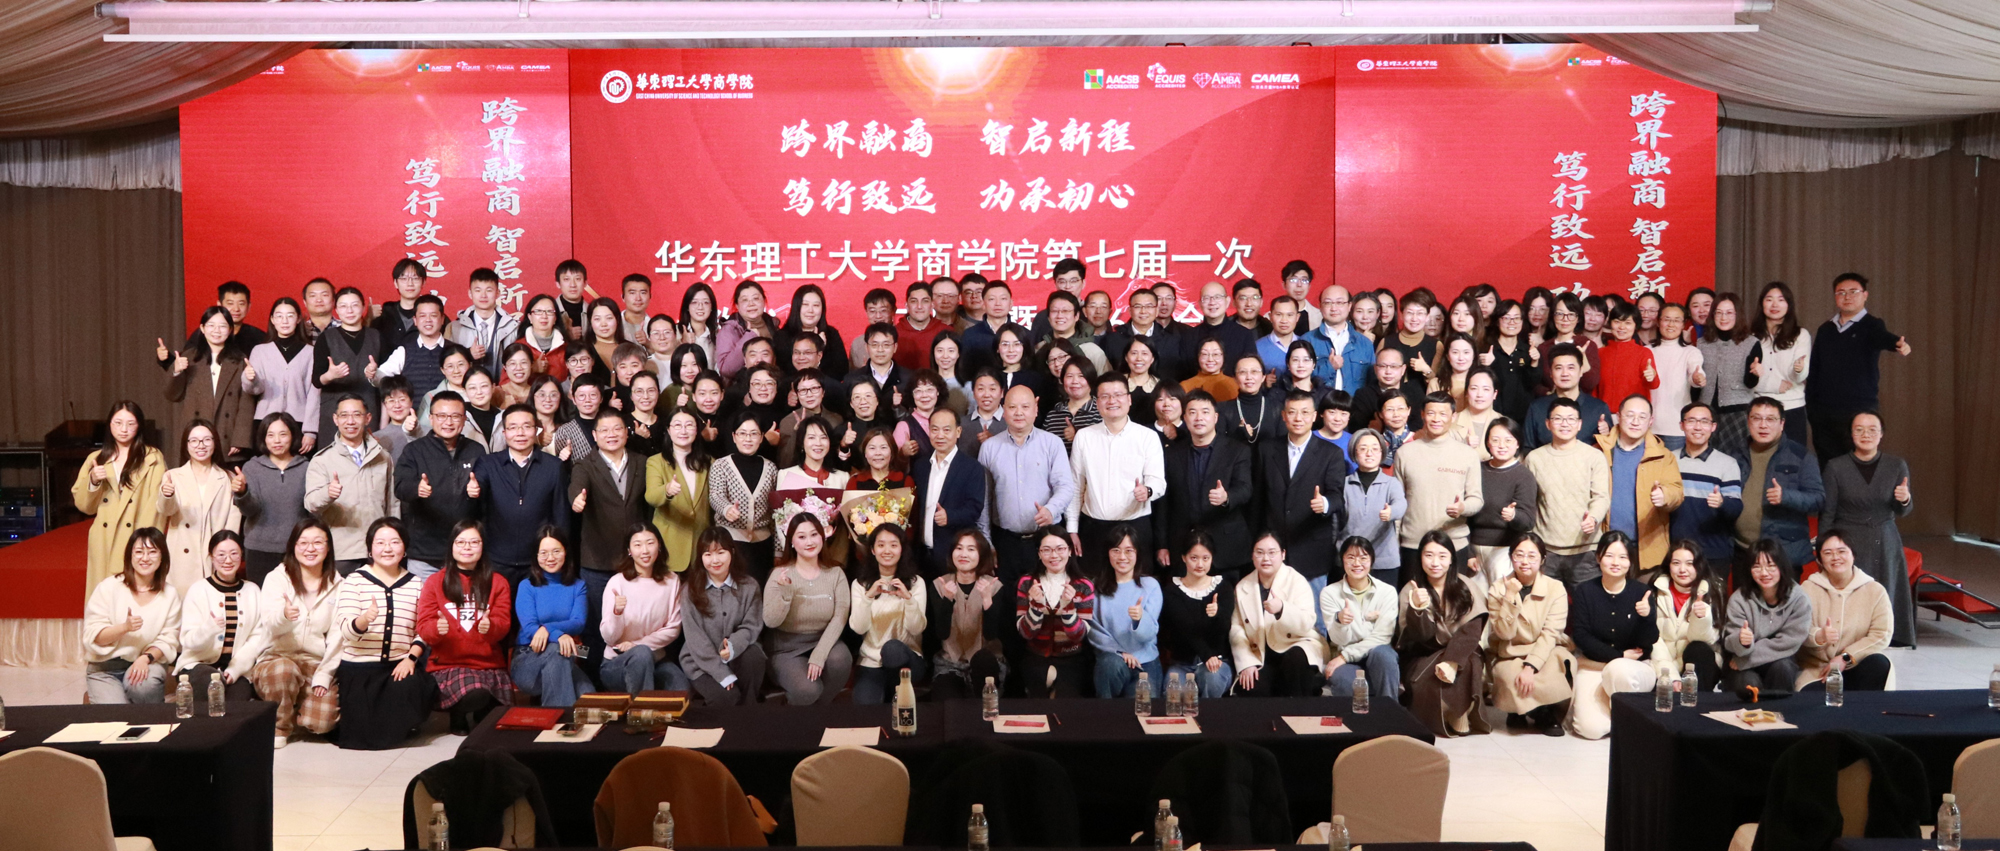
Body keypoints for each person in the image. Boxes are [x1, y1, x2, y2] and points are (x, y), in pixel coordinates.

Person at [311, 518, 437, 751]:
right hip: (360, 670)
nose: (387, 548)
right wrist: (364, 620)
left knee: (416, 687)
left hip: (397, 667)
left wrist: (411, 658)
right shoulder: (354, 581)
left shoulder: (416, 584)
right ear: (370, 549)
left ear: (405, 548)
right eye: (380, 543)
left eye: (395, 542)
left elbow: (423, 629)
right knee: (362, 733)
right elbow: (346, 631)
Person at [1820, 411, 1916, 646]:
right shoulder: (1835, 467)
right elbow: (1828, 512)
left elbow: (1903, 511)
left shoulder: (1896, 465)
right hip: (1849, 539)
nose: (1866, 435)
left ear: (1881, 434)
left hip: (1885, 538)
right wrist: (1823, 547)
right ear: (1851, 434)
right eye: (1859, 429)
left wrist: (1905, 499)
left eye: (1872, 430)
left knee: (1886, 587)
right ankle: (1851, 637)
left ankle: (1889, 635)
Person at [416, 521, 514, 733]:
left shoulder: (498, 582)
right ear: (451, 546)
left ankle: (479, 711)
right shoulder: (434, 581)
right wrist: (436, 628)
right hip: (448, 665)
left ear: (483, 546)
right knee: (476, 693)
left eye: (474, 542)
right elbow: (423, 627)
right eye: (460, 542)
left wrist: (491, 626)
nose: (467, 547)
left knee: (494, 712)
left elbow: (504, 624)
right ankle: (458, 714)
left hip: (488, 665)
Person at [252, 518, 341, 747]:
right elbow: (270, 625)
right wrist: (284, 615)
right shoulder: (277, 578)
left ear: (328, 547)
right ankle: (279, 727)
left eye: (318, 542)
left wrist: (324, 674)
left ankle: (290, 703)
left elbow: (337, 637)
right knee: (284, 671)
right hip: (276, 657)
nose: (310, 549)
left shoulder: (338, 584)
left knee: (320, 723)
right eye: (303, 543)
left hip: (314, 661)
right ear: (293, 546)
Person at [571, 413, 654, 658]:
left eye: (617, 429)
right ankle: (591, 673)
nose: (611, 435)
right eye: (604, 430)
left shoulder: (642, 462)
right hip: (597, 560)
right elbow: (576, 487)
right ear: (594, 435)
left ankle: (626, 670)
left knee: (633, 621)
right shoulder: (585, 464)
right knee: (594, 623)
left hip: (634, 561)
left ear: (626, 433)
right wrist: (576, 499)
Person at [1068, 375, 1167, 579]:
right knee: (1093, 586)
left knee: (1136, 587)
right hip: (1093, 528)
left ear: (1129, 400)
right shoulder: (1084, 437)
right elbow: (1075, 486)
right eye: (1105, 396)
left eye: (1118, 395)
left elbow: (1158, 481)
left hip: (1135, 526)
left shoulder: (1147, 437)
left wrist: (1147, 491)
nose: (1112, 401)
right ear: (1097, 403)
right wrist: (1072, 529)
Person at [1806, 273, 1913, 461]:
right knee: (1827, 465)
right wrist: (1812, 408)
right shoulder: (1826, 329)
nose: (1847, 297)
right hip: (1824, 413)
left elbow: (1883, 337)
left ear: (1865, 295)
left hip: (1859, 410)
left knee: (1858, 463)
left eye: (1853, 292)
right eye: (1841, 292)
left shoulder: (1872, 325)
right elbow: (1814, 369)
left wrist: (1897, 343)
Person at [1562, 532, 1658, 739]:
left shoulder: (1642, 592)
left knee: (1618, 669)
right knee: (1590, 729)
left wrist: (1647, 617)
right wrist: (1618, 655)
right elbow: (1581, 636)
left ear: (1630, 562)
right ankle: (1623, 717)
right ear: (1598, 557)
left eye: (1623, 557)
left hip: (1634, 669)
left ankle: (1627, 719)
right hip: (1593, 666)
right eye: (1609, 556)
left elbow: (1649, 641)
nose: (1616, 562)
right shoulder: (1585, 591)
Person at [1394, 531, 1489, 737]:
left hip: (1461, 650)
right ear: (1420, 558)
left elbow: (1473, 629)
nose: (1435, 562)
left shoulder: (1466, 585)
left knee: (1469, 659)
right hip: (1424, 654)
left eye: (1442, 556)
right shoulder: (1411, 589)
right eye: (1428, 555)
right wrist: (1417, 609)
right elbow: (1420, 638)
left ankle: (1458, 714)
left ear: (1451, 559)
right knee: (1438, 675)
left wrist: (1452, 661)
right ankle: (1458, 714)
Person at [1156, 391, 1253, 580]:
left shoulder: (1237, 450)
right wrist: (1162, 544)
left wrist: (1227, 498)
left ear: (1215, 417)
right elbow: (1164, 503)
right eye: (1192, 412)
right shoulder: (1172, 454)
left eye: (1205, 412)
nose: (1199, 418)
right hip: (1183, 546)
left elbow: (1245, 488)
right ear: (1184, 418)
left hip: (1226, 548)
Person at [1258, 390, 1350, 587]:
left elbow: (1337, 496)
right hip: (1273, 548)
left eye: (1305, 412)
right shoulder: (1266, 449)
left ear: (1315, 416)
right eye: (1292, 412)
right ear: (1284, 416)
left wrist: (1324, 503)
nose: (1298, 418)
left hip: (1312, 547)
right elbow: (1258, 499)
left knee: (1313, 607)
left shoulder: (1331, 453)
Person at [75, 402, 169, 593]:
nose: (123, 429)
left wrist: (145, 543)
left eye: (130, 423)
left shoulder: (152, 458)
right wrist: (93, 480)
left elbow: (155, 504)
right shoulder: (97, 458)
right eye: (118, 423)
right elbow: (84, 506)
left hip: (136, 538)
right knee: (103, 598)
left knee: (135, 597)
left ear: (139, 425)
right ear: (109, 424)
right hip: (103, 540)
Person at [1484, 534, 1572, 736]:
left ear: (1542, 559)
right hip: (1509, 651)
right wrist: (1509, 597)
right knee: (1510, 678)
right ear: (1511, 557)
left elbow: (1551, 633)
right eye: (1519, 555)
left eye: (1532, 556)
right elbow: (1504, 633)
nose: (1525, 561)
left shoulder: (1555, 588)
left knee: (1552, 673)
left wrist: (1531, 666)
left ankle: (1542, 713)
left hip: (1546, 650)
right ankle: (1529, 711)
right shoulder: (1498, 588)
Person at [472, 405, 568, 589]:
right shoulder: (488, 463)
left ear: (537, 430)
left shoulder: (553, 466)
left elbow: (561, 515)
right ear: (504, 433)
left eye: (526, 426)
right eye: (513, 427)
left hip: (539, 561)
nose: (520, 433)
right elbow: (474, 504)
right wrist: (472, 491)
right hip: (496, 559)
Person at [763, 514, 853, 705]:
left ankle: (820, 710)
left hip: (823, 639)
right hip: (786, 648)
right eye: (802, 537)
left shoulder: (836, 573)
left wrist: (819, 654)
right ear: (792, 542)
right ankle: (795, 711)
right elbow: (770, 621)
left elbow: (840, 617)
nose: (809, 542)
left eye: (814, 535)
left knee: (841, 659)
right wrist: (786, 593)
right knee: (808, 690)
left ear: (822, 537)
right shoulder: (780, 573)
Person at [84, 529, 182, 704]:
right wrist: (124, 628)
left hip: (147, 662)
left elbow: (168, 639)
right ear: (130, 556)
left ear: (162, 557)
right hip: (105, 668)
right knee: (117, 715)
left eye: (152, 552)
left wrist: (146, 658)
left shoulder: (170, 594)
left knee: (144, 687)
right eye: (139, 552)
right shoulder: (109, 587)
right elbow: (94, 636)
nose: (145, 558)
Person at [394, 392, 483, 582]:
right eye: (442, 416)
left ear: (464, 419)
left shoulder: (476, 450)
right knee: (424, 601)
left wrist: (479, 490)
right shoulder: (414, 450)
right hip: (424, 554)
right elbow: (400, 486)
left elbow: (487, 490)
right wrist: (416, 489)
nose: (448, 422)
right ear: (431, 418)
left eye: (455, 416)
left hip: (466, 551)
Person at [1729, 397, 1825, 570]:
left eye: (1771, 419)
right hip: (1742, 551)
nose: (1763, 425)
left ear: (1782, 424)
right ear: (1748, 422)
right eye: (1757, 418)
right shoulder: (1735, 455)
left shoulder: (1801, 456)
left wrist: (1786, 496)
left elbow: (1818, 499)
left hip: (1782, 552)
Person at [1396, 392, 1483, 582]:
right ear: (1422, 415)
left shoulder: (1468, 454)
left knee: (1453, 598)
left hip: (1453, 543)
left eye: (1443, 414)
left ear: (1454, 416)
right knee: (1412, 598)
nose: (1436, 419)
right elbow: (1397, 502)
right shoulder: (1405, 453)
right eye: (1431, 413)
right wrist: (1395, 542)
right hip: (1413, 544)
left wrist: (1463, 508)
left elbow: (1476, 499)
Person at [305, 395, 396, 576]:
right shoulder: (322, 460)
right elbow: (310, 504)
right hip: (342, 551)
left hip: (378, 549)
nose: (350, 421)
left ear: (367, 418)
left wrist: (393, 541)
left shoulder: (383, 457)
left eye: (357, 415)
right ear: (336, 419)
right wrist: (327, 494)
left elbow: (393, 504)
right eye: (344, 415)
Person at [1526, 397, 1611, 587]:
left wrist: (1593, 518)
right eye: (1558, 419)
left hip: (1585, 551)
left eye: (1571, 419)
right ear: (1548, 423)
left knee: (1586, 603)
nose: (1565, 424)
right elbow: (1530, 502)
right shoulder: (1534, 458)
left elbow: (1601, 497)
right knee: (1544, 603)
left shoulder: (1594, 456)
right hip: (1545, 550)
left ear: (1580, 424)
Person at [1795, 530, 1894, 691]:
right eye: (1828, 553)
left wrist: (1846, 657)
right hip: (1819, 671)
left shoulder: (1875, 590)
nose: (1836, 557)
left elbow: (1881, 634)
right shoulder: (1807, 589)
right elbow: (1797, 629)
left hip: (1856, 665)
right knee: (1813, 699)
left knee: (1879, 664)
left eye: (1842, 551)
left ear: (1853, 555)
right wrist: (1819, 636)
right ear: (1819, 560)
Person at [598, 523, 690, 696]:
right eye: (638, 545)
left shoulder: (672, 581)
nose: (645, 550)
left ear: (659, 545)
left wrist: (637, 644)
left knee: (680, 689)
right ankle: (641, 712)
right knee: (641, 655)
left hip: (656, 660)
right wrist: (617, 613)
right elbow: (609, 638)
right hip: (616, 663)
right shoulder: (617, 582)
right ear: (629, 551)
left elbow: (673, 629)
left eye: (650, 543)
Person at [173, 530, 265, 703]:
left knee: (237, 703)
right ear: (212, 557)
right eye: (221, 555)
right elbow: (188, 640)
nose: (228, 560)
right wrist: (209, 629)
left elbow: (257, 638)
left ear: (241, 556)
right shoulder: (198, 590)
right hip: (197, 666)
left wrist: (235, 669)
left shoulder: (252, 591)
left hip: (236, 670)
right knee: (212, 685)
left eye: (234, 554)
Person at [680, 530, 768, 708]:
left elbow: (751, 626)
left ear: (732, 552)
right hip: (700, 661)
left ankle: (750, 714)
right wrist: (721, 673)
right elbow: (695, 638)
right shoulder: (690, 590)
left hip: (738, 655)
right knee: (727, 698)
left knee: (754, 656)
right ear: (700, 557)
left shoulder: (749, 586)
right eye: (708, 554)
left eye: (721, 552)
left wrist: (733, 646)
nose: (715, 560)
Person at [1595, 395, 1684, 570]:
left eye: (1642, 417)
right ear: (1618, 417)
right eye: (1630, 415)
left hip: (1646, 548)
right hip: (1605, 546)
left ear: (1650, 421)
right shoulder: (1599, 451)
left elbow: (1677, 492)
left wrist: (1665, 495)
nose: (1635, 422)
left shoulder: (1663, 456)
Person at [1229, 533, 1323, 697]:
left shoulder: (1296, 581)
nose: (1266, 558)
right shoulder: (1243, 586)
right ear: (1252, 555)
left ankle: (1302, 710)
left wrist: (1282, 609)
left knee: (1295, 660)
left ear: (1283, 554)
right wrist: (1247, 662)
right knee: (1250, 687)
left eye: (1272, 553)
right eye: (1260, 552)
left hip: (1296, 646)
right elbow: (1237, 629)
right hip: (1261, 655)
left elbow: (1307, 622)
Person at [510, 526, 593, 709]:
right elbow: (530, 627)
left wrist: (547, 628)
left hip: (566, 655)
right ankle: (559, 719)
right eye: (544, 553)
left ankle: (552, 712)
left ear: (565, 552)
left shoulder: (578, 586)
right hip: (528, 658)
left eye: (556, 551)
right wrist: (558, 635)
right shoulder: (527, 586)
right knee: (556, 649)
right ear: (536, 556)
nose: (550, 558)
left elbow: (578, 623)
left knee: (589, 697)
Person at [165, 306, 258, 465]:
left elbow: (246, 404)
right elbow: (173, 395)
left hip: (226, 434)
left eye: (222, 326)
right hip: (195, 434)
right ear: (202, 328)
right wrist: (176, 371)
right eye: (211, 325)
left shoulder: (239, 360)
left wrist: (240, 439)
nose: (216, 330)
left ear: (230, 330)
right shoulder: (190, 357)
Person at [158, 420, 242, 595]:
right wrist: (167, 494)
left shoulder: (227, 477)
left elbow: (232, 523)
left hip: (215, 556)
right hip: (181, 557)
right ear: (186, 445)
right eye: (194, 441)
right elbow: (166, 511)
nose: (200, 445)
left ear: (215, 443)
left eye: (206, 440)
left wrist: (225, 553)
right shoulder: (173, 476)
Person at [849, 524, 929, 704]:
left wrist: (908, 599)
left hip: (906, 659)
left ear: (902, 549)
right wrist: (868, 597)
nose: (887, 551)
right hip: (872, 661)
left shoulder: (916, 583)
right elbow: (859, 628)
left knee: (892, 649)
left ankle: (895, 691)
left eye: (893, 545)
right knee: (864, 707)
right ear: (872, 550)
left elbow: (916, 629)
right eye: (881, 545)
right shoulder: (860, 584)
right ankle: (888, 693)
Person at [1721, 539, 1813, 697]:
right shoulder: (1739, 599)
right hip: (1742, 659)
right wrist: (1741, 641)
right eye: (1757, 566)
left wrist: (1747, 659)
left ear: (1781, 566)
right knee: (1746, 682)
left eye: (1771, 566)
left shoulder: (1798, 598)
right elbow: (1729, 641)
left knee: (1783, 668)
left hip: (1775, 658)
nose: (1764, 573)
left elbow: (1790, 640)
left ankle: (1781, 712)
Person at [1016, 528, 1096, 698]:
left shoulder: (1084, 585)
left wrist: (1068, 607)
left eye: (1060, 549)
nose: (1054, 555)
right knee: (1038, 704)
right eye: (1046, 550)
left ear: (1070, 551)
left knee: (1064, 705)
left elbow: (1079, 635)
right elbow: (1025, 633)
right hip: (1035, 656)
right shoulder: (1027, 583)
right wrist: (1036, 605)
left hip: (1072, 658)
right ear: (1039, 554)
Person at [1321, 536, 1402, 702]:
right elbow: (1339, 640)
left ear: (1371, 560)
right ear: (1342, 560)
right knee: (1343, 680)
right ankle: (1357, 719)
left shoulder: (1387, 592)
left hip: (1374, 653)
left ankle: (1390, 713)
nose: (1357, 563)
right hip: (1345, 654)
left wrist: (1345, 656)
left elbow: (1382, 637)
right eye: (1351, 557)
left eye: (1363, 558)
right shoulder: (1330, 593)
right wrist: (1340, 621)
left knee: (1384, 656)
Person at [1088, 523, 1163, 699]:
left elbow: (1149, 634)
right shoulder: (1095, 587)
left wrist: (1140, 619)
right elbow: (1092, 629)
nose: (1122, 557)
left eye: (1129, 551)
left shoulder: (1150, 586)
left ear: (1137, 554)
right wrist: (1121, 653)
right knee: (1110, 664)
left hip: (1145, 663)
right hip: (1112, 662)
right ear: (1108, 553)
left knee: (1143, 709)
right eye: (1116, 550)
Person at [1158, 531, 1234, 700]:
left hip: (1218, 661)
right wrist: (1206, 655)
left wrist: (1218, 614)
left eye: (1205, 558)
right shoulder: (1172, 591)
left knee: (1211, 678)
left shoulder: (1223, 587)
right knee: (1174, 692)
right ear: (1184, 558)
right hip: (1182, 664)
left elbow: (1225, 630)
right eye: (1194, 558)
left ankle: (1209, 717)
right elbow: (1185, 628)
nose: (1200, 564)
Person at [236, 413, 309, 585]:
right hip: (259, 548)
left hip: (298, 548)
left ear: (293, 436)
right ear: (263, 438)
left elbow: (312, 511)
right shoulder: (252, 468)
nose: (277, 440)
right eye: (270, 435)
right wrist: (242, 492)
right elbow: (249, 511)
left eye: (283, 434)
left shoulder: (307, 467)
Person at [1670, 401, 1745, 567]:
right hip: (1676, 551)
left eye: (1704, 421)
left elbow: (1736, 508)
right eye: (1691, 421)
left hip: (1713, 552)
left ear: (1713, 427)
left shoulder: (1727, 463)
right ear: (1682, 425)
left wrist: (1722, 502)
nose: (1698, 427)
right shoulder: (1669, 460)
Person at [1643, 539, 1722, 694]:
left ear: (1699, 565)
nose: (1682, 569)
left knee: (1698, 649)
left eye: (1690, 563)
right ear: (1669, 565)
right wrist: (1670, 676)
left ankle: (1699, 704)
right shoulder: (1653, 591)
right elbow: (1653, 639)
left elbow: (1708, 640)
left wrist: (1701, 618)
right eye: (1676, 563)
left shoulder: (1712, 591)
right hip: (1662, 665)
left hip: (1698, 666)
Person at [1468, 418, 1539, 589]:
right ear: (1487, 443)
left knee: (1500, 598)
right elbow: (1465, 516)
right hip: (1473, 549)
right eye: (1495, 440)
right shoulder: (1477, 469)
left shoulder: (1523, 476)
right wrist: (1468, 553)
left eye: (1508, 440)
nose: (1502, 446)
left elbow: (1528, 521)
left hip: (1505, 550)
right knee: (1473, 601)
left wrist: (1514, 516)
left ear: (1517, 444)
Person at [912, 408, 983, 574]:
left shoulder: (972, 468)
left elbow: (975, 509)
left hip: (952, 555)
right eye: (935, 429)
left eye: (946, 430)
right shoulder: (921, 466)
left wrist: (950, 516)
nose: (940, 435)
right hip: (921, 555)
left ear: (958, 432)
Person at [247, 298, 322, 454]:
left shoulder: (311, 352)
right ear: (272, 320)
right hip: (265, 422)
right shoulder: (259, 351)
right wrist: (250, 379)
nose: (285, 321)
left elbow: (314, 393)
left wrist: (310, 431)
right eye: (279, 316)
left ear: (298, 319)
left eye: (290, 315)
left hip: (299, 423)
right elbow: (253, 390)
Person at [309, 287, 384, 442]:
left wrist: (376, 375)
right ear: (336, 310)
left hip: (368, 409)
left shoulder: (376, 336)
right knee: (333, 455)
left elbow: (388, 380)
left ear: (363, 307)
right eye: (343, 306)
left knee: (368, 453)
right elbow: (316, 380)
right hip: (334, 411)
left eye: (354, 305)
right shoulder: (326, 338)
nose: (349, 310)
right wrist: (330, 375)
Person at [711, 411, 779, 579]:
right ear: (734, 437)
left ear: (761, 437)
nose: (748, 439)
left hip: (762, 545)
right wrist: (727, 509)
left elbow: (776, 512)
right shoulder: (721, 465)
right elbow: (715, 496)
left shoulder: (771, 468)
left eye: (754, 434)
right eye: (742, 433)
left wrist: (778, 550)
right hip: (729, 543)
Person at [646, 410, 714, 576]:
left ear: (697, 430)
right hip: (670, 544)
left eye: (689, 425)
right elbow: (651, 497)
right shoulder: (656, 461)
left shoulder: (709, 462)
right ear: (669, 430)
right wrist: (667, 490)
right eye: (677, 425)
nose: (683, 431)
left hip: (701, 544)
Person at [1748, 282, 1812, 445]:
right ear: (1762, 303)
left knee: (1793, 458)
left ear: (1789, 305)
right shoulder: (1750, 336)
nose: (1775, 305)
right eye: (1769, 299)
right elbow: (1745, 378)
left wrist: (1799, 370)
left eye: (1781, 300)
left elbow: (1799, 378)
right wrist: (1774, 385)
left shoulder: (1800, 335)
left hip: (1791, 408)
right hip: (1759, 408)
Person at [1696, 293, 1759, 458]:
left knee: (1736, 460)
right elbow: (1695, 384)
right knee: (1706, 459)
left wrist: (1755, 374)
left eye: (1729, 313)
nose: (1724, 318)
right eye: (1719, 313)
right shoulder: (1701, 343)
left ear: (1738, 315)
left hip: (1737, 413)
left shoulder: (1751, 343)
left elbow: (1750, 383)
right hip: (1707, 411)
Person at [1343, 429, 1407, 586]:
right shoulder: (1344, 484)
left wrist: (1391, 512)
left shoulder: (1391, 483)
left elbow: (1401, 504)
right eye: (1363, 449)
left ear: (1381, 452)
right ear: (1354, 452)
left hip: (1383, 559)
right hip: (1352, 560)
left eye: (1374, 449)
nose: (1369, 453)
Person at [1523, 345, 1612, 450]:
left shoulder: (1598, 408)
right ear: (1551, 373)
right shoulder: (1537, 408)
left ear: (1581, 371)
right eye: (1558, 368)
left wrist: (1606, 436)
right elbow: (1527, 448)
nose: (1565, 373)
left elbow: (1609, 448)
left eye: (1571, 368)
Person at [1648, 305, 1705, 452]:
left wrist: (1697, 378)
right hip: (1647, 426)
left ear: (1683, 324)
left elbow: (1695, 371)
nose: (1671, 324)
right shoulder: (1647, 350)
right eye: (1667, 319)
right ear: (1658, 322)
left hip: (1676, 428)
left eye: (1676, 320)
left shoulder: (1690, 352)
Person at [447, 269, 522, 377]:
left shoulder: (512, 327)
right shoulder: (455, 327)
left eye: (489, 290)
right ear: (470, 293)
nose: (483, 295)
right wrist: (468, 354)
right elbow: (447, 361)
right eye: (478, 290)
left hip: (503, 386)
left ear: (497, 293)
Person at [1306, 284, 1374, 394]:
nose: (1334, 308)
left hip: (1354, 404)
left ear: (1349, 306)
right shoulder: (1307, 340)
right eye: (1328, 303)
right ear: (1320, 306)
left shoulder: (1364, 343)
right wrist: (1329, 367)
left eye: (1340, 303)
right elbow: (1300, 380)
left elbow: (1372, 383)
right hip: (1319, 404)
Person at [1594, 305, 1660, 410]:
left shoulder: (1643, 352)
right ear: (1610, 323)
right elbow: (1594, 389)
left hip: (1633, 413)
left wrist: (1652, 376)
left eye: (1628, 323)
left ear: (1636, 326)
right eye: (1617, 322)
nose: (1622, 327)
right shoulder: (1600, 353)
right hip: (1605, 413)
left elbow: (1653, 385)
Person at [1482, 300, 1539, 421]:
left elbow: (1533, 384)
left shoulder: (1529, 350)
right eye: (1506, 318)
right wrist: (1486, 366)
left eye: (1516, 318)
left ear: (1522, 321)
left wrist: (1534, 362)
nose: (1511, 322)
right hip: (1493, 416)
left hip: (1524, 418)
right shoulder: (1487, 349)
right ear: (1498, 321)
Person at [1349, 348, 1423, 435]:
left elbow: (1419, 426)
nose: (1388, 372)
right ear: (1375, 369)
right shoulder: (1363, 395)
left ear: (1403, 369)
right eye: (1383, 366)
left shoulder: (1414, 392)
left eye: (1393, 367)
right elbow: (1357, 428)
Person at [894, 280, 945, 371]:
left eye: (925, 301)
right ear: (906, 305)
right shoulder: (893, 334)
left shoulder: (945, 332)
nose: (919, 306)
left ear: (932, 305)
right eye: (914, 301)